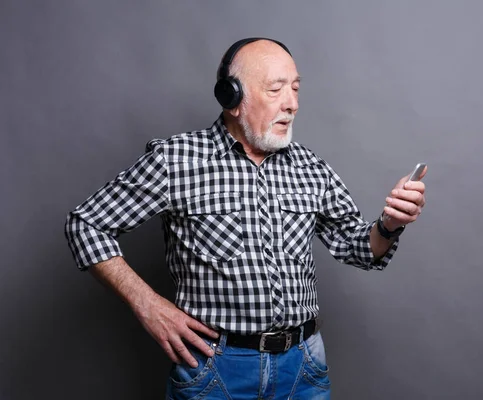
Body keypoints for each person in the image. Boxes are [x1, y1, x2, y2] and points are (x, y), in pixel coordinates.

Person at [65, 37, 427, 400]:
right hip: (213, 370)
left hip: (304, 368)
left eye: (296, 88)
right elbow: (86, 224)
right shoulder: (176, 161)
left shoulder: (311, 167)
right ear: (232, 99)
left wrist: (390, 224)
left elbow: (359, 249)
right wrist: (147, 304)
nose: (292, 104)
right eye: (276, 89)